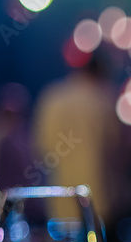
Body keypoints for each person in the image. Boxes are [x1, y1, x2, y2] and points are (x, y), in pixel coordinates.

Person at [32, 55, 121, 223]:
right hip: (97, 199)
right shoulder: (102, 100)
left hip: (58, 200)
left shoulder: (52, 97)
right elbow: (115, 148)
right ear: (101, 74)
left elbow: (40, 146)